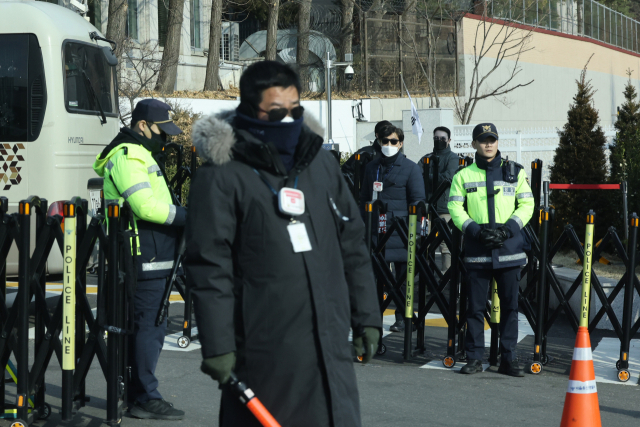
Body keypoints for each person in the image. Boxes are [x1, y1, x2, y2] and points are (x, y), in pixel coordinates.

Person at [185, 61, 381, 427]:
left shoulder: (320, 165)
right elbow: (210, 266)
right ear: (249, 108)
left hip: (328, 344)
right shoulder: (222, 177)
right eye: (276, 112)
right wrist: (218, 345)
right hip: (264, 350)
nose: (289, 121)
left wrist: (367, 316)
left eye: (295, 110)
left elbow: (352, 244)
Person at [92, 99, 186, 420]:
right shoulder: (129, 155)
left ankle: (136, 393)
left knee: (144, 325)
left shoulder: (137, 153)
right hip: (141, 255)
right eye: (162, 131)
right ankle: (145, 395)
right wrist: (184, 216)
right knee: (149, 326)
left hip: (148, 253)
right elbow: (145, 206)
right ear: (143, 125)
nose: (166, 138)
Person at [448, 123, 534, 377]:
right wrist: (475, 230)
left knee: (510, 308)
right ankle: (474, 359)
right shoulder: (462, 176)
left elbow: (527, 206)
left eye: (492, 139)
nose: (488, 144)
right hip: (478, 249)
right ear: (474, 144)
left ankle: (508, 359)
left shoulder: (515, 172)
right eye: (483, 140)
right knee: (474, 308)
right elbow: (455, 209)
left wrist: (507, 230)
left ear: (497, 142)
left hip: (508, 250)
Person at [359, 125, 425, 333]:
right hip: (376, 232)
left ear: (401, 143)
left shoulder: (411, 168)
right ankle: (373, 318)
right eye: (385, 141)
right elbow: (364, 199)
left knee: (402, 278)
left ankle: (403, 317)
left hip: (402, 232)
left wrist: (418, 233)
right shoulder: (372, 167)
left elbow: (418, 201)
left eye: (393, 141)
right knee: (375, 279)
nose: (389, 145)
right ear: (379, 142)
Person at [420, 126, 460, 272]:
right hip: (427, 208)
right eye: (436, 138)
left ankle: (446, 275)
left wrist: (427, 176)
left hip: (445, 207)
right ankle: (425, 274)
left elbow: (448, 178)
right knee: (424, 242)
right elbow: (417, 175)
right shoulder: (427, 157)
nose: (439, 141)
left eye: (442, 138)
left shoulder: (453, 158)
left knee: (446, 244)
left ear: (449, 140)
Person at [341, 120, 393, 193]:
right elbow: (346, 173)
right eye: (385, 133)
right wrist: (357, 194)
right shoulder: (365, 153)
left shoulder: (397, 155)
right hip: (369, 200)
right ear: (377, 135)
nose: (388, 136)